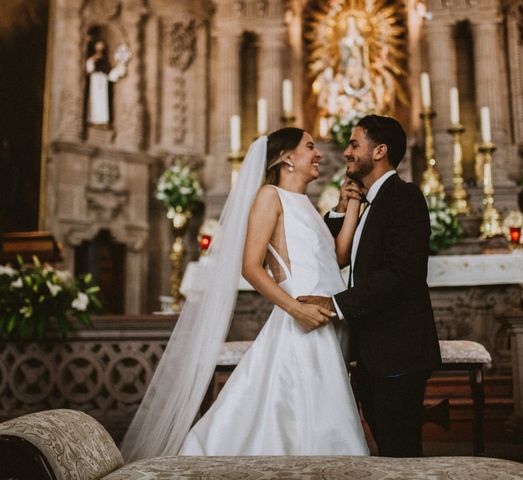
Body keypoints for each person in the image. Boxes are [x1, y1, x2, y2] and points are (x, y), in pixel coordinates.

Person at [120, 128, 368, 460]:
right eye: (310, 147)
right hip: (302, 326)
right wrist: (296, 310)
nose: (319, 154)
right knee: (305, 419)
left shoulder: (305, 204)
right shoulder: (269, 196)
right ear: (287, 158)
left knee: (312, 416)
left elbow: (336, 257)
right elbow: (250, 267)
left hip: (327, 321)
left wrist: (351, 206)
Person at [299, 114, 442, 457]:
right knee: (386, 452)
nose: (346, 152)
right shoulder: (369, 202)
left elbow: (400, 274)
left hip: (398, 353)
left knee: (401, 456)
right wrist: (342, 208)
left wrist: (334, 305)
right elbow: (334, 257)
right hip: (373, 355)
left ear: (379, 151)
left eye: (353, 144)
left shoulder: (404, 198)